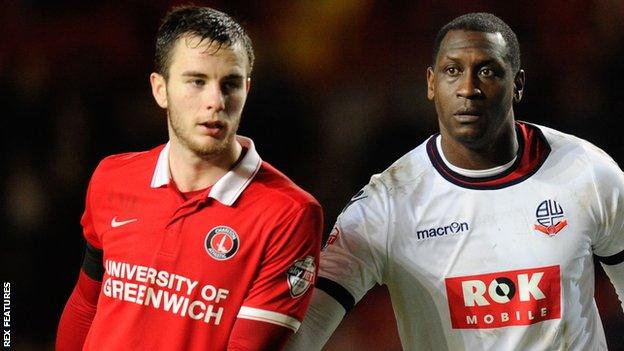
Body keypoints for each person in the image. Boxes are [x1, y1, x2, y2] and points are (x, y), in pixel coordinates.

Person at [285, 12, 624, 351]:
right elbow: (310, 323)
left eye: (488, 71)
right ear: (431, 84)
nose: (468, 89)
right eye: (452, 71)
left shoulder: (588, 172)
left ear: (518, 84)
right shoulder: (387, 204)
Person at [56, 6, 323, 351]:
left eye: (230, 84)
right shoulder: (112, 177)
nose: (215, 101)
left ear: (247, 90)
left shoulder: (289, 214)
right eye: (197, 81)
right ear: (160, 89)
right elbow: (86, 303)